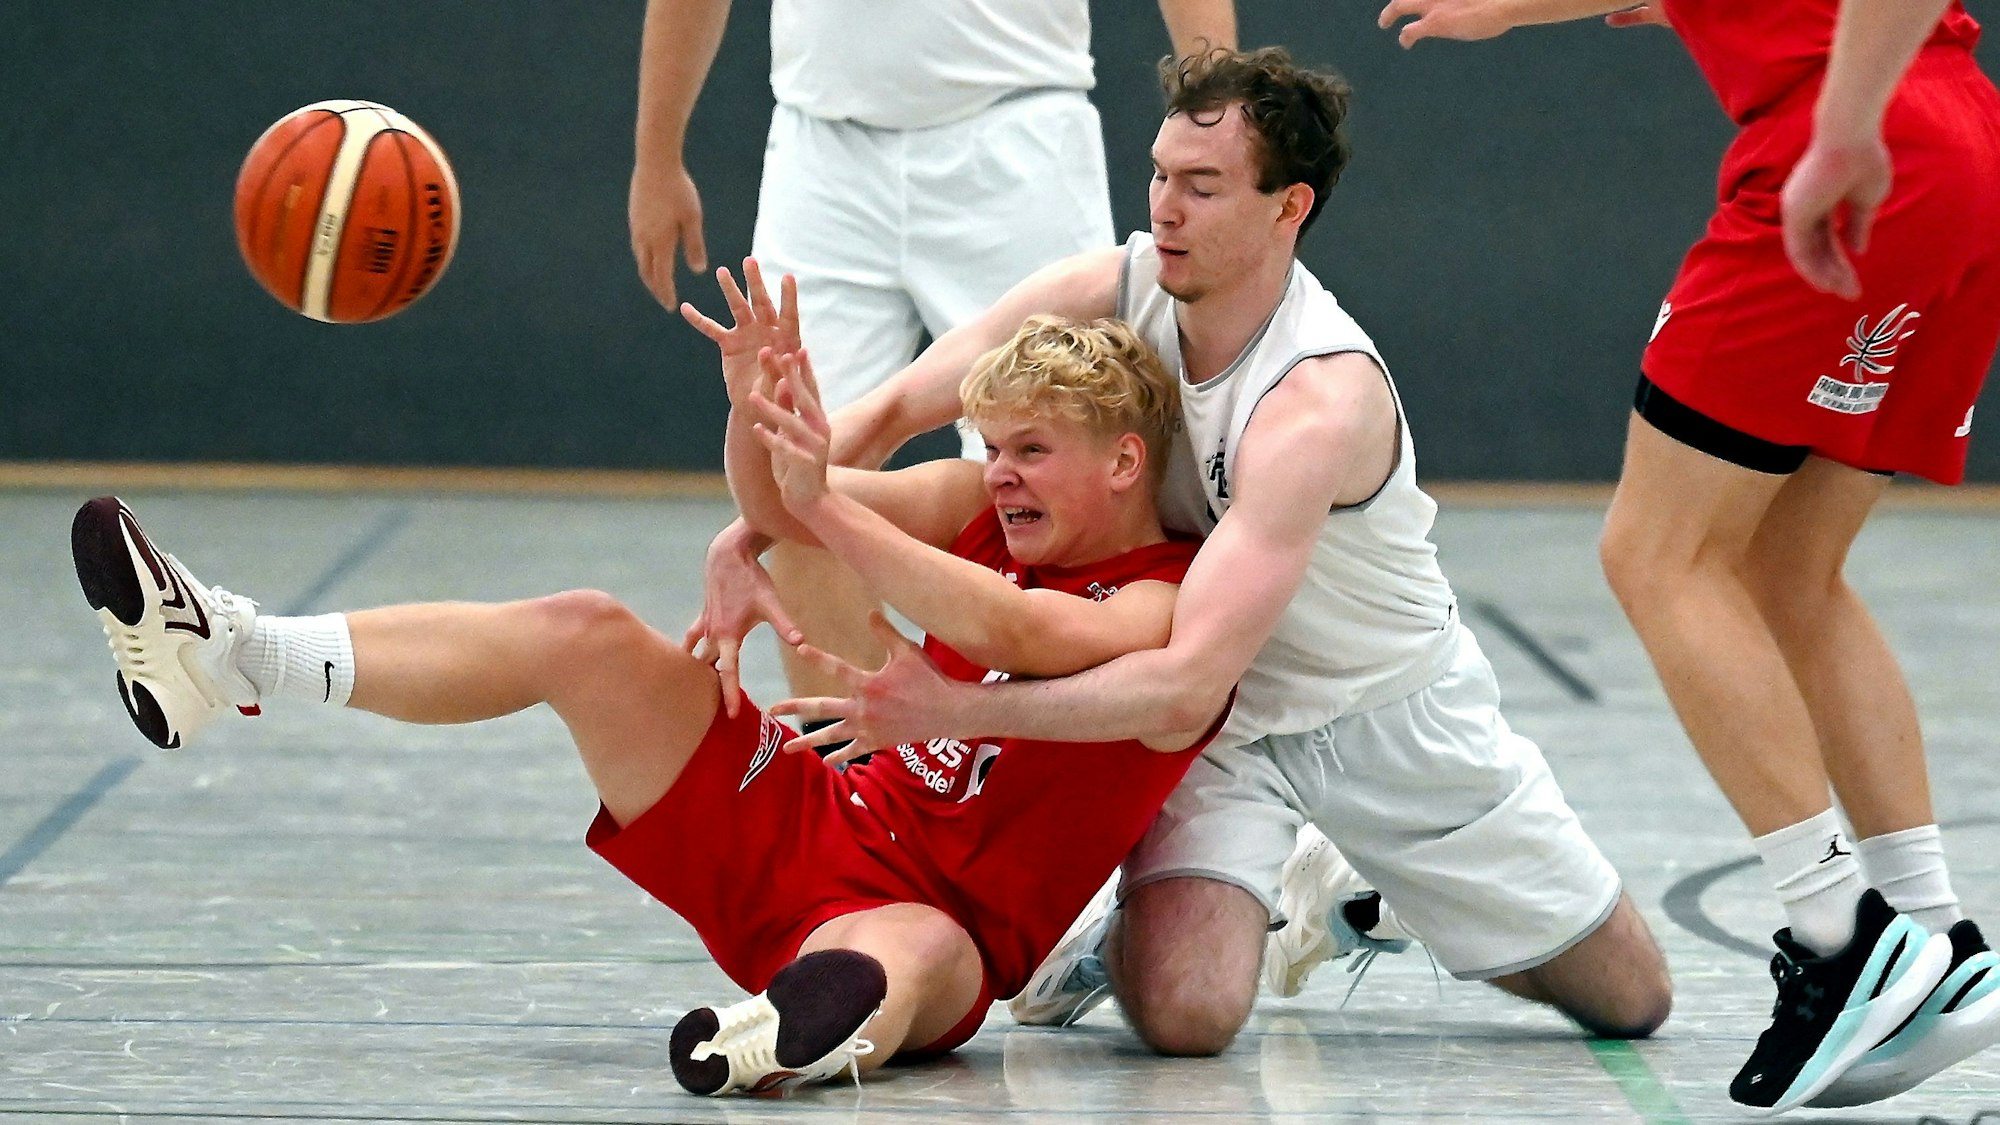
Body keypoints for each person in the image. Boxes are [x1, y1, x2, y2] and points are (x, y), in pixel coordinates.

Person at [707, 46, 1674, 1057]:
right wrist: (756, 529)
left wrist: (956, 708)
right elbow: (882, 416)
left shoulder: (1313, 399)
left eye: (1203, 187)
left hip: (1374, 705)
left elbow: (1179, 684)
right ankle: (1107, 939)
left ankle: (1358, 892)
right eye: (1161, 175)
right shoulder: (1103, 287)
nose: (1166, 208)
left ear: (1287, 207)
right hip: (1215, 720)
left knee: (1630, 997)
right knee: (1187, 1013)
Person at [70, 283, 1224, 1097]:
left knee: (916, 956)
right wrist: (753, 413)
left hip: (940, 919)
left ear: (1123, 461)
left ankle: (778, 1034)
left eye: (1030, 451)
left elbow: (1018, 627)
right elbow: (778, 510)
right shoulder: (976, 504)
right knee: (584, 632)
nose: (1000, 473)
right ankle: (235, 654)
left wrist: (821, 505)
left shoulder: (1165, 601)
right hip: (817, 808)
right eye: (993, 447)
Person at [1376, 0, 2000, 1111]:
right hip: (1966, 141)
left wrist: (1501, 8)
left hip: (1853, 136)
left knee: (1654, 551)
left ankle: (1838, 931)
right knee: (1791, 567)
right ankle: (1932, 932)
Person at [631, 0, 1237, 708]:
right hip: (819, 146)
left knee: (1064, 472)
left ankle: (1029, 752)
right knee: (796, 446)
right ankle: (848, 760)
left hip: (1018, 132)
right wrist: (656, 155)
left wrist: (1221, 127)